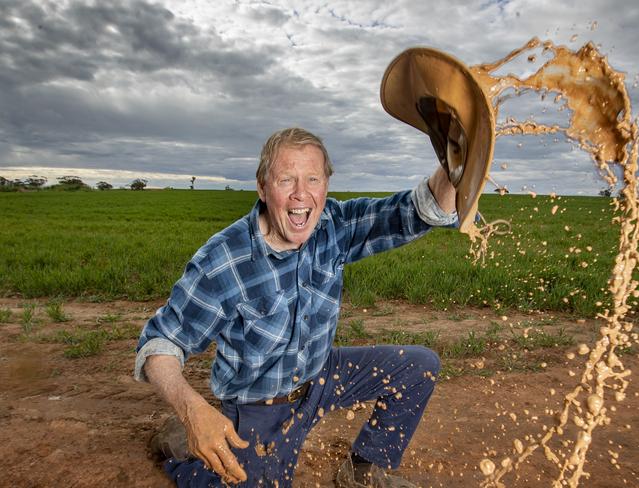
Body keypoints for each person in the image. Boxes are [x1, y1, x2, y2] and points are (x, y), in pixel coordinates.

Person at [134, 127, 457, 487]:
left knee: (419, 367)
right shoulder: (222, 261)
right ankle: (182, 448)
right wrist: (193, 411)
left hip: (320, 375)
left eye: (313, 179)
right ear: (262, 187)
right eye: (286, 179)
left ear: (326, 186)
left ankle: (362, 473)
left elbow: (420, 211)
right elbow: (160, 344)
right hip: (261, 405)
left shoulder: (334, 225)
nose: (301, 194)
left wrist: (453, 163)